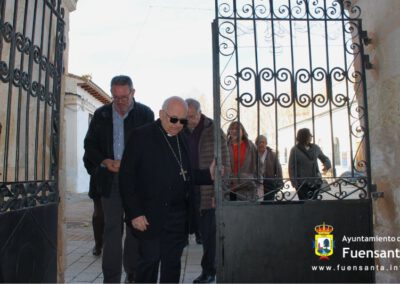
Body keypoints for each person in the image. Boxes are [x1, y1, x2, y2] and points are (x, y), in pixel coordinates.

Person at [119, 96, 216, 283]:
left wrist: (207, 175)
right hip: (148, 215)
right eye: (173, 119)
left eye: (183, 121)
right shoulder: (142, 136)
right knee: (149, 262)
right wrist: (135, 213)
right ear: (162, 114)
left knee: (172, 265)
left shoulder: (183, 137)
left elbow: (185, 173)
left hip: (178, 217)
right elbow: (126, 177)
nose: (178, 125)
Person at [83, 75, 154, 283]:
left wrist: (132, 165)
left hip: (136, 182)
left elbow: (151, 148)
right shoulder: (101, 114)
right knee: (112, 230)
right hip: (110, 180)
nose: (120, 102)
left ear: (133, 92)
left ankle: (131, 274)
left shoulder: (145, 114)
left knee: (135, 227)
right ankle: (111, 278)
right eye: (116, 97)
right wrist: (105, 161)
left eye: (124, 96)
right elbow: (90, 146)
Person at [183, 98, 230, 283]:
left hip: (207, 191)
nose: (189, 120)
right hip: (186, 191)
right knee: (186, 232)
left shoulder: (214, 130)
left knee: (210, 236)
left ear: (200, 113)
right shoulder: (181, 129)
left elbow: (225, 164)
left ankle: (209, 272)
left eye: (192, 116)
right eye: (186, 117)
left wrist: (219, 193)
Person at [288, 128, 331, 200]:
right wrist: (294, 182)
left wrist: (327, 165)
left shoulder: (315, 147)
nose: (311, 137)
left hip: (315, 181)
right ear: (304, 136)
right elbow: (291, 167)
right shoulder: (294, 150)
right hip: (301, 183)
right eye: (309, 135)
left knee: (314, 203)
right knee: (304, 203)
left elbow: (324, 158)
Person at [227, 121, 258, 201]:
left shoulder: (250, 146)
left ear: (242, 131)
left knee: (246, 212)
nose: (234, 131)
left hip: (246, 187)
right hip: (228, 187)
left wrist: (259, 183)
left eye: (237, 129)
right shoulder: (224, 145)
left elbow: (259, 165)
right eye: (232, 128)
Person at [83, 153, 104, 257]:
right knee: (98, 215)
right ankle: (98, 244)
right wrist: (95, 171)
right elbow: (87, 157)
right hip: (98, 183)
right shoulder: (96, 137)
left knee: (117, 216)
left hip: (118, 181)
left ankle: (114, 244)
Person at [255, 135, 283, 201]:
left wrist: (279, 183)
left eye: (263, 142)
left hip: (269, 183)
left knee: (269, 203)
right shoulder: (253, 154)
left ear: (266, 143)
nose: (261, 144)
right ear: (256, 144)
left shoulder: (272, 155)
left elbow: (278, 169)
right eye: (259, 142)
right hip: (256, 184)